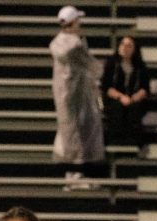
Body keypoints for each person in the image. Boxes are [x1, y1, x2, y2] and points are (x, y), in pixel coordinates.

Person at [51, 6, 104, 189]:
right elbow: (92, 66)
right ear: (73, 22)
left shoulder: (59, 42)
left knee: (71, 133)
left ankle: (73, 174)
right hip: (74, 95)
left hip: (66, 93)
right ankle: (75, 175)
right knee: (77, 133)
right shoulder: (73, 45)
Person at [101, 35, 152, 148]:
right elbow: (106, 86)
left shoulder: (140, 66)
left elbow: (145, 89)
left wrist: (133, 98)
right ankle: (114, 141)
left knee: (134, 109)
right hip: (115, 98)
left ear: (134, 49)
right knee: (117, 108)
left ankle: (135, 143)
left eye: (129, 46)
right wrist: (120, 97)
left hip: (133, 99)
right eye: (123, 44)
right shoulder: (111, 63)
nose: (125, 48)